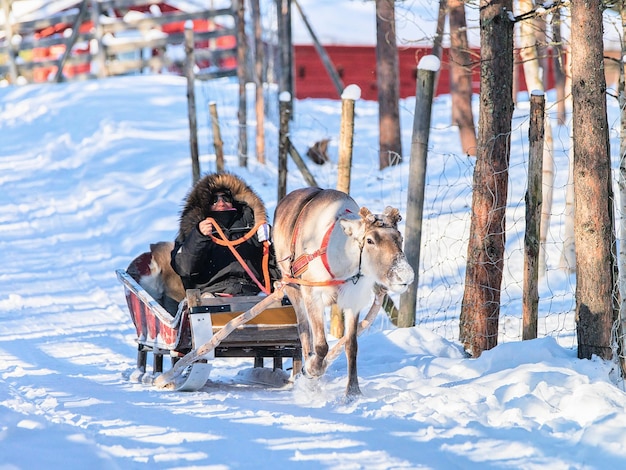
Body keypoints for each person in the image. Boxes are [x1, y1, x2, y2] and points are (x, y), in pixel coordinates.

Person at [171, 172, 279, 297]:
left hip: (253, 293)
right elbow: (184, 268)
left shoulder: (254, 230)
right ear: (204, 205)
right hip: (212, 294)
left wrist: (272, 241)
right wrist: (199, 235)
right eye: (214, 200)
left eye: (226, 198)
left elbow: (276, 270)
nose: (221, 203)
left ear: (234, 200)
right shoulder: (192, 233)